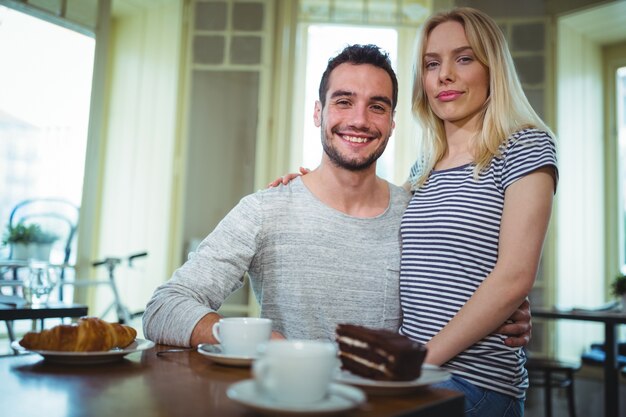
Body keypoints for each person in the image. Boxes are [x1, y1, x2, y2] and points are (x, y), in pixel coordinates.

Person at [143, 44, 530, 349]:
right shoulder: (266, 209)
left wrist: (511, 313)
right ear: (318, 112)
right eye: (344, 101)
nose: (359, 120)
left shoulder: (415, 214)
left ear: (392, 123)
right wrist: (254, 340)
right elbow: (164, 307)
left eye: (376, 106)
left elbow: (463, 290)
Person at [398, 7, 558, 416]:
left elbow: (514, 277)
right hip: (416, 374)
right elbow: (370, 219)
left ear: (493, 69)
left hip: (473, 383)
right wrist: (315, 182)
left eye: (464, 58)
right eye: (432, 64)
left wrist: (419, 362)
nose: (444, 75)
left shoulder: (524, 146)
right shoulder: (422, 168)